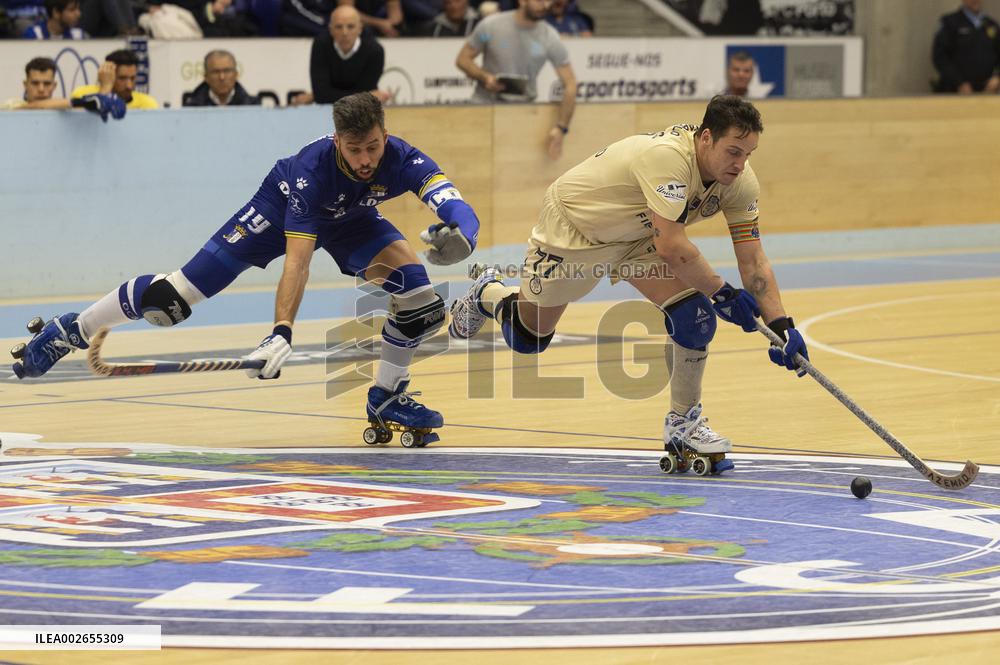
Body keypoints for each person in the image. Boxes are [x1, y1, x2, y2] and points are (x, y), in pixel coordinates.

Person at [11, 92, 481, 447]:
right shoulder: (310, 170)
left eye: (373, 148)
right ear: (337, 139)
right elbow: (298, 262)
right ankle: (71, 329)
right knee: (170, 302)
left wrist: (463, 237)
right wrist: (281, 331)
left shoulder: (401, 157)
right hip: (280, 213)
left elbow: (453, 201)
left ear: (385, 134)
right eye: (354, 149)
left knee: (419, 300)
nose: (364, 161)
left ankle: (387, 395)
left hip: (352, 223)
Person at [448, 95, 808, 474]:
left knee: (696, 318)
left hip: (641, 239)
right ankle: (488, 292)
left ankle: (684, 425)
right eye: (733, 151)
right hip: (577, 229)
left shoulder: (739, 183)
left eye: (748, 153)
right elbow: (672, 246)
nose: (740, 163)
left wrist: (782, 325)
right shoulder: (669, 158)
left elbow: (753, 261)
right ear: (705, 138)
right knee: (528, 338)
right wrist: (721, 292)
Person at [456, 0, 577, 160]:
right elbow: (463, 59)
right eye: (539, 0)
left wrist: (561, 128)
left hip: (522, 114)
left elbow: (570, 84)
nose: (545, 5)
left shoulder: (550, 37)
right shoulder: (490, 26)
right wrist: (485, 77)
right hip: (483, 107)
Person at [300, 5, 392, 105]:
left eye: (350, 26)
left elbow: (364, 101)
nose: (344, 32)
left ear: (360, 28)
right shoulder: (321, 45)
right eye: (339, 27)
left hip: (359, 114)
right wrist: (364, 97)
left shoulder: (375, 51)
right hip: (326, 110)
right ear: (330, 29)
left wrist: (320, 95)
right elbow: (322, 96)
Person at [1, 56, 125, 121]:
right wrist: (87, 101)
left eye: (47, 83)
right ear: (25, 84)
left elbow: (97, 107)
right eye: (35, 83)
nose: (41, 89)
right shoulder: (11, 105)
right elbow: (34, 106)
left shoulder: (65, 110)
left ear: (54, 86)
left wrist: (105, 90)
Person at [932, 0, 1000, 94]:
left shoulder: (991, 25)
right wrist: (959, 82)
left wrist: (997, 78)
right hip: (955, 91)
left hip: (986, 92)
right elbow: (940, 57)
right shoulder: (949, 22)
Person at [71, 49, 158, 110]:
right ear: (108, 74)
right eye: (122, 78)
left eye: (133, 78)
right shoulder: (83, 95)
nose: (129, 86)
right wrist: (105, 88)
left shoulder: (147, 104)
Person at [183, 50, 261, 106]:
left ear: (236, 75)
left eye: (227, 71)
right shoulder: (193, 107)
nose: (222, 77)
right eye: (216, 72)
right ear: (206, 77)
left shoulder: (252, 106)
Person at [337, 0, 403, 37]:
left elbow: (396, 14)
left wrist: (392, 26)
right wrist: (381, 24)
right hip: (352, 22)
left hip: (378, 21)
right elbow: (347, 12)